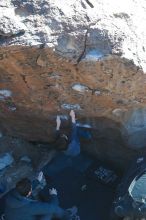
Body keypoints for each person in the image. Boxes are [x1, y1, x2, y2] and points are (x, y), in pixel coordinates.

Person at [5, 178, 76, 220]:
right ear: (29, 192)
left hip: (13, 216)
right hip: (25, 213)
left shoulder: (12, 193)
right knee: (52, 211)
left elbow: (24, 189)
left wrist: (37, 181)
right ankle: (68, 215)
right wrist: (54, 195)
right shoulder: (30, 207)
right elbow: (52, 208)